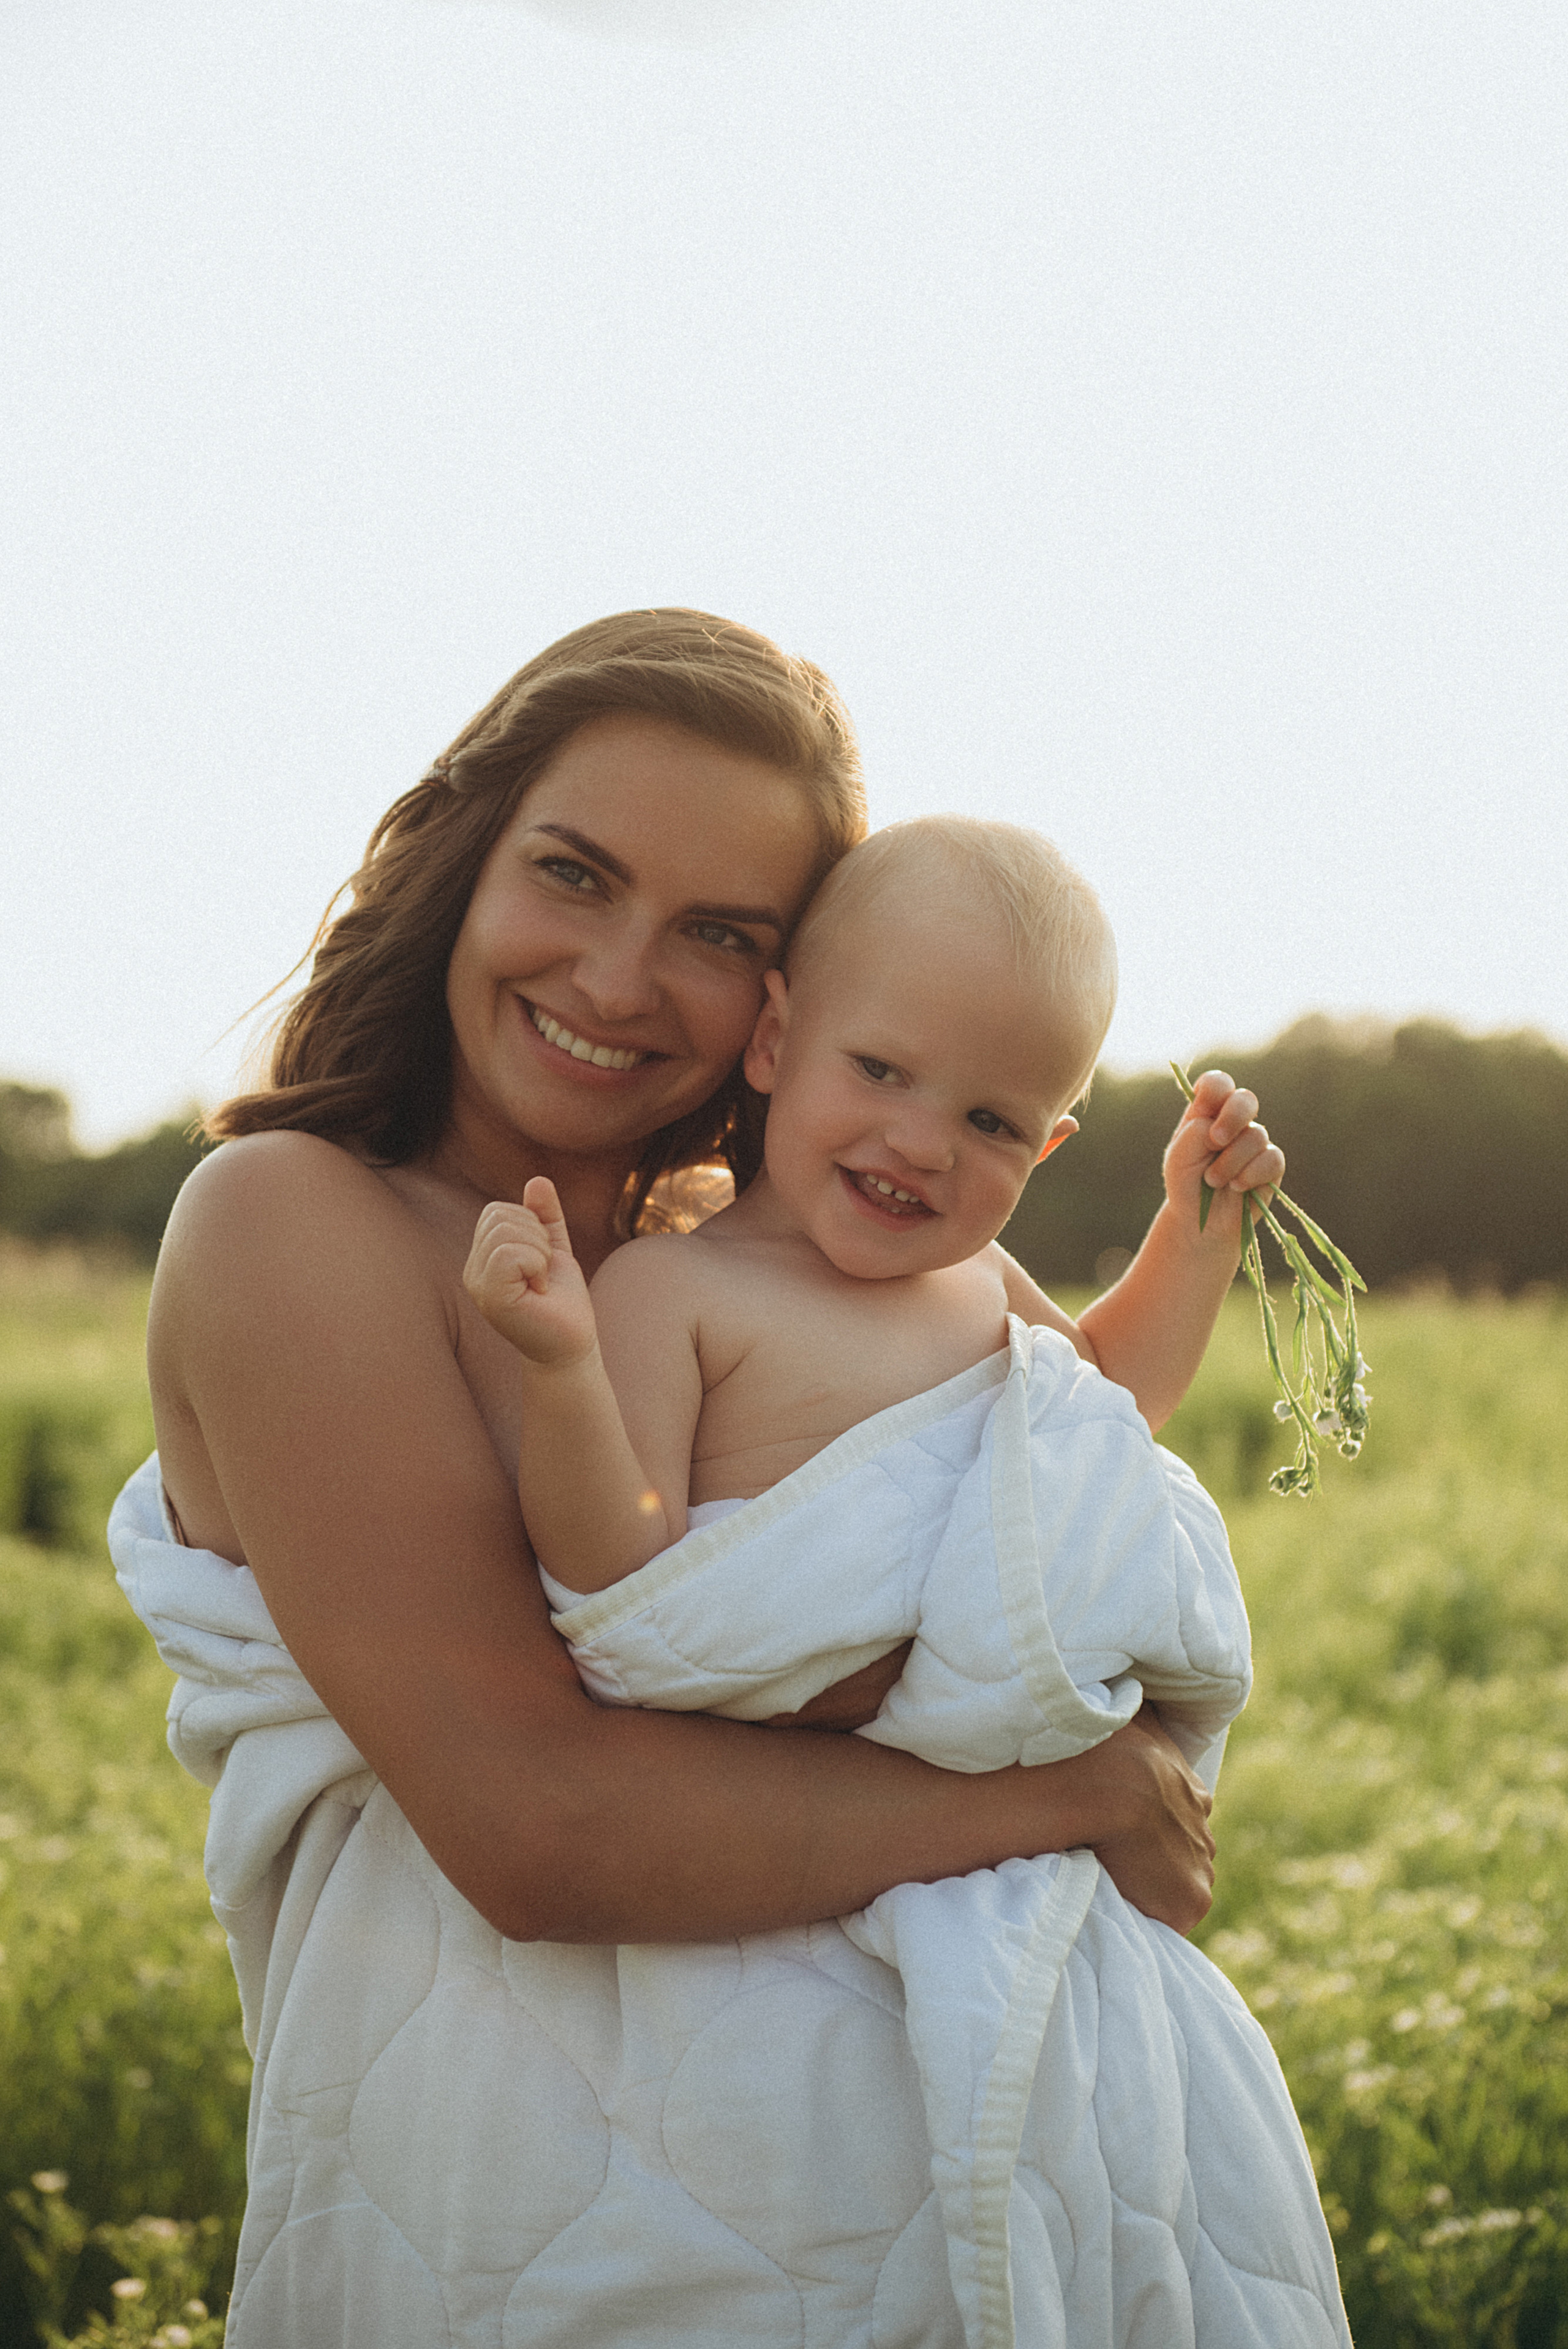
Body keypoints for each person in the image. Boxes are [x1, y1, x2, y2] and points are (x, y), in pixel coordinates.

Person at [113, 611, 1262, 2348]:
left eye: (716, 932)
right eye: (574, 874)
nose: (623, 977)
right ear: (464, 856)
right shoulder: (299, 1221)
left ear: (781, 1001)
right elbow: (535, 1829)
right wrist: (1066, 1796)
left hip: (929, 2161)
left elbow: (1075, 1435)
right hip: (526, 2172)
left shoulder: (770, 1243)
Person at [461, 816, 1352, 2345]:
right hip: (782, 1840)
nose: (924, 1142)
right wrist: (558, 1370)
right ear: (779, 1040)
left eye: (995, 1121)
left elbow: (1088, 1418)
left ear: (1047, 1147)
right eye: (880, 1074)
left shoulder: (973, 1285)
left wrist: (1192, 1243)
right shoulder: (676, 1288)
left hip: (988, 1850)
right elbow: (620, 1576)